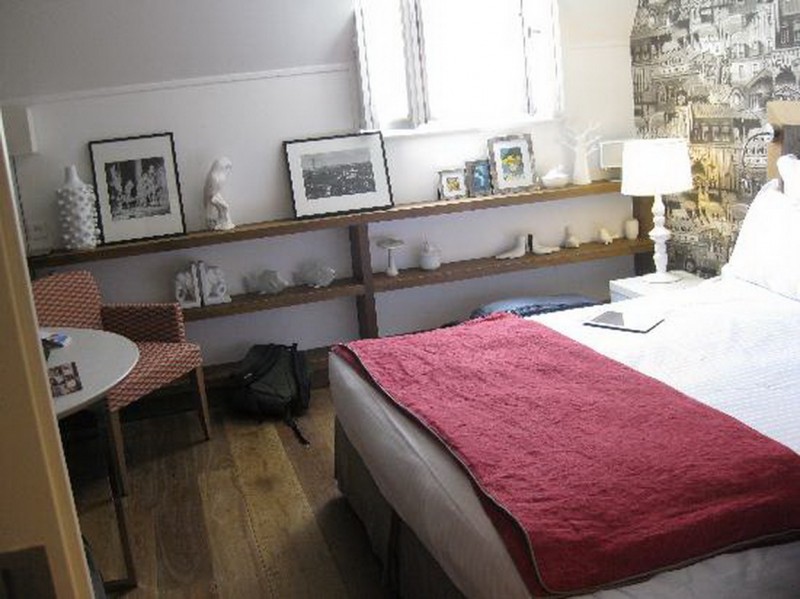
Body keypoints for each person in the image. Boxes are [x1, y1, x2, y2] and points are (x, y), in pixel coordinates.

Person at [204, 157, 235, 231]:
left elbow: (217, 191)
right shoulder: (214, 177)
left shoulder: (222, 176)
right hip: (212, 196)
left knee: (225, 208)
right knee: (225, 207)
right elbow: (211, 193)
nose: (228, 170)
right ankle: (222, 222)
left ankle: (224, 222)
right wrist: (215, 199)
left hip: (216, 194)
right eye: (226, 167)